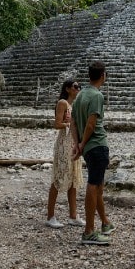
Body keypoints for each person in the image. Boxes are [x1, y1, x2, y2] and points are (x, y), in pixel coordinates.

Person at [72, 61, 115, 245]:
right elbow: (91, 124)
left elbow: (73, 122)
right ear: (103, 75)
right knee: (93, 185)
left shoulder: (81, 94)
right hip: (96, 144)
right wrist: (82, 143)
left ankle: (104, 222)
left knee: (98, 185)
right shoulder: (96, 95)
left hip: (87, 146)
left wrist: (78, 144)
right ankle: (89, 231)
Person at [45, 80, 85, 229]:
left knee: (73, 179)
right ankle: (50, 216)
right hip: (64, 144)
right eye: (75, 86)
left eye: (79, 86)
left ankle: (73, 216)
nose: (78, 89)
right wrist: (69, 124)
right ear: (68, 89)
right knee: (59, 178)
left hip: (73, 143)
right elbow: (56, 124)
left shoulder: (74, 105)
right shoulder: (62, 103)